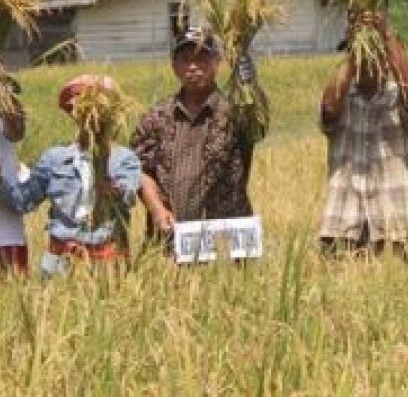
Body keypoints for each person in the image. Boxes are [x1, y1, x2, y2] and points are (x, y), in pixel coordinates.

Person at [131, 27, 269, 245]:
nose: (193, 67)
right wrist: (156, 209)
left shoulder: (235, 112)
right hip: (172, 238)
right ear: (174, 66)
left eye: (202, 58)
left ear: (217, 62)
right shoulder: (157, 116)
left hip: (227, 237)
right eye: (185, 60)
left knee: (232, 280)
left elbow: (258, 125)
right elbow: (138, 168)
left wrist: (248, 82)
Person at [1, 75, 141, 275]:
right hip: (61, 258)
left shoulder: (124, 159)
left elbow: (128, 194)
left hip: (108, 258)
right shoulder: (55, 158)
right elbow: (23, 200)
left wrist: (114, 190)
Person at [318, 11, 408, 254]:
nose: (366, 61)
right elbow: (328, 107)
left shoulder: (396, 97)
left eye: (372, 54)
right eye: (359, 55)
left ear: (386, 58)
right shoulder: (341, 98)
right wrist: (355, 48)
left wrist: (386, 34)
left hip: (399, 223)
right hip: (344, 224)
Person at [0, 69, 28, 274]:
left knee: (14, 292)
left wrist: (6, 95)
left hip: (6, 231)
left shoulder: (7, 108)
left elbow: (17, 131)